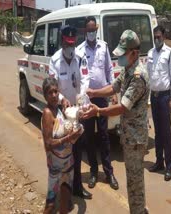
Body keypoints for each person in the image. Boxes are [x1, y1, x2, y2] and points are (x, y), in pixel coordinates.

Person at [82, 30, 150, 214]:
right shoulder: (127, 70)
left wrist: (99, 111)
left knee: (135, 182)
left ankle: (139, 211)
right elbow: (114, 87)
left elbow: (123, 107)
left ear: (134, 53)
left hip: (136, 139)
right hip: (129, 136)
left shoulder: (138, 76)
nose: (120, 58)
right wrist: (94, 93)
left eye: (123, 54)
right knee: (132, 179)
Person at [49, 25, 92, 199]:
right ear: (62, 42)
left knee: (77, 149)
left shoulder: (80, 57)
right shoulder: (55, 60)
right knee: (62, 150)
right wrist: (61, 99)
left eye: (73, 44)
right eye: (68, 44)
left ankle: (77, 186)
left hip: (77, 111)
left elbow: (85, 77)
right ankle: (61, 186)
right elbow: (52, 87)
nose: (71, 48)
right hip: (61, 112)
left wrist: (82, 96)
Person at [77, 16, 119, 190]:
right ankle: (94, 171)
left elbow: (109, 69)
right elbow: (78, 75)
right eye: (89, 30)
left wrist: (113, 91)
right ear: (85, 31)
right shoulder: (80, 50)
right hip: (87, 99)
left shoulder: (104, 47)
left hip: (102, 97)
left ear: (97, 30)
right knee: (89, 137)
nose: (92, 32)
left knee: (104, 136)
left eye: (94, 29)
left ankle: (109, 172)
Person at [41, 77, 83, 213]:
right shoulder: (47, 113)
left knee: (65, 199)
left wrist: (74, 133)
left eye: (55, 91)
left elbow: (65, 131)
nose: (53, 95)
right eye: (50, 93)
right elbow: (48, 144)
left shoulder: (59, 110)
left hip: (68, 163)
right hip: (56, 166)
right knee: (51, 204)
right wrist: (68, 138)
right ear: (45, 95)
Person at [147, 25, 171, 182]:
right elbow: (148, 76)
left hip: (165, 98)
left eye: (159, 37)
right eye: (155, 37)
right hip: (154, 97)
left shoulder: (170, 53)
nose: (157, 39)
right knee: (158, 132)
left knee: (166, 133)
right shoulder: (150, 53)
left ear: (164, 37)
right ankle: (158, 162)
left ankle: (169, 166)